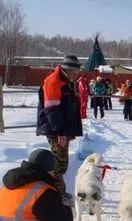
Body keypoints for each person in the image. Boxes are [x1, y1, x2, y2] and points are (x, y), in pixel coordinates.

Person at [36, 54, 83, 204]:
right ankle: (56, 197)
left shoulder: (66, 80)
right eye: (75, 72)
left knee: (62, 164)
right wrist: (60, 131)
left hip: (62, 129)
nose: (76, 75)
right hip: (56, 130)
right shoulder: (54, 81)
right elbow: (51, 109)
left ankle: (60, 192)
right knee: (57, 164)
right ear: (68, 70)